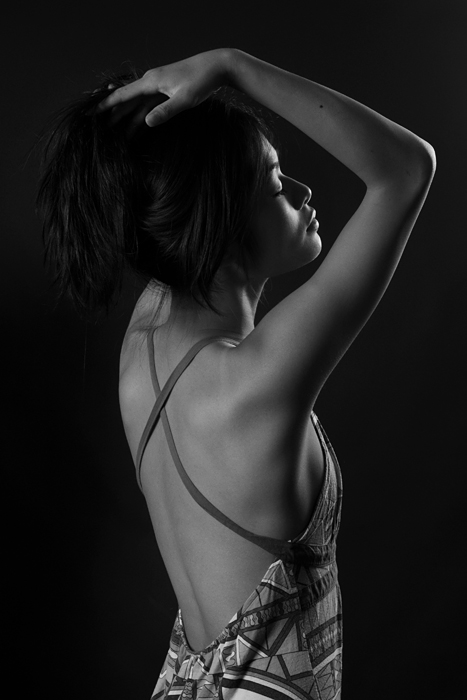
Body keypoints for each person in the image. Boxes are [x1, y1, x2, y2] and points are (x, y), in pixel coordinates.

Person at [37, 48, 435, 699]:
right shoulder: (254, 382)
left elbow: (149, 195)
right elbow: (406, 169)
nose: (303, 193)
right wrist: (230, 65)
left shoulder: (144, 340)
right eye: (276, 186)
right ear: (220, 223)